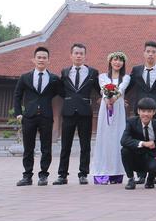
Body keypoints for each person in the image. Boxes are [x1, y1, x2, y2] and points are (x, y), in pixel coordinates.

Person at [13, 46, 61, 186]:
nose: (41, 60)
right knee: (28, 147)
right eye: (39, 57)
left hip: (46, 116)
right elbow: (17, 95)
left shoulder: (54, 78)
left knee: (46, 147)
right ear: (33, 59)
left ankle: (43, 175)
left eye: (44, 58)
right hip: (29, 116)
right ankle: (27, 176)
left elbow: (62, 92)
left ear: (48, 60)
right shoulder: (25, 77)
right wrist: (18, 113)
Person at [55, 43, 100, 185]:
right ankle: (62, 175)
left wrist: (109, 98)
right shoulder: (65, 72)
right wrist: (70, 99)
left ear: (85, 56)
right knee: (65, 145)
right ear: (71, 55)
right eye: (76, 53)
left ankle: (83, 174)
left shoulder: (92, 72)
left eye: (81, 53)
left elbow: (100, 89)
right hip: (68, 112)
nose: (79, 56)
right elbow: (61, 90)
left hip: (85, 112)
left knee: (85, 145)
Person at [92, 51, 131, 185]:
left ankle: (116, 173)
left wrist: (114, 98)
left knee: (117, 138)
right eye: (115, 60)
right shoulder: (102, 77)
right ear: (110, 61)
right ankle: (102, 172)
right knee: (104, 138)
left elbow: (121, 88)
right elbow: (103, 90)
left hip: (118, 109)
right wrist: (107, 100)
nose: (117, 62)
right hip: (105, 109)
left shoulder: (126, 77)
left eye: (120, 60)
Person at [120, 98, 156, 190]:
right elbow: (124, 140)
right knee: (125, 150)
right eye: (143, 111)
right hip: (136, 157)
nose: (146, 114)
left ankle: (150, 179)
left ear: (154, 112)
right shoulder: (131, 122)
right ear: (138, 111)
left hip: (152, 157)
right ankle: (131, 179)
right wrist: (143, 143)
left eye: (149, 111)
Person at [127, 41, 156, 119]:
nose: (150, 54)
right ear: (144, 53)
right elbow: (128, 86)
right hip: (140, 108)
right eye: (148, 51)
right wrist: (120, 97)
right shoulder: (136, 70)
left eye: (153, 52)